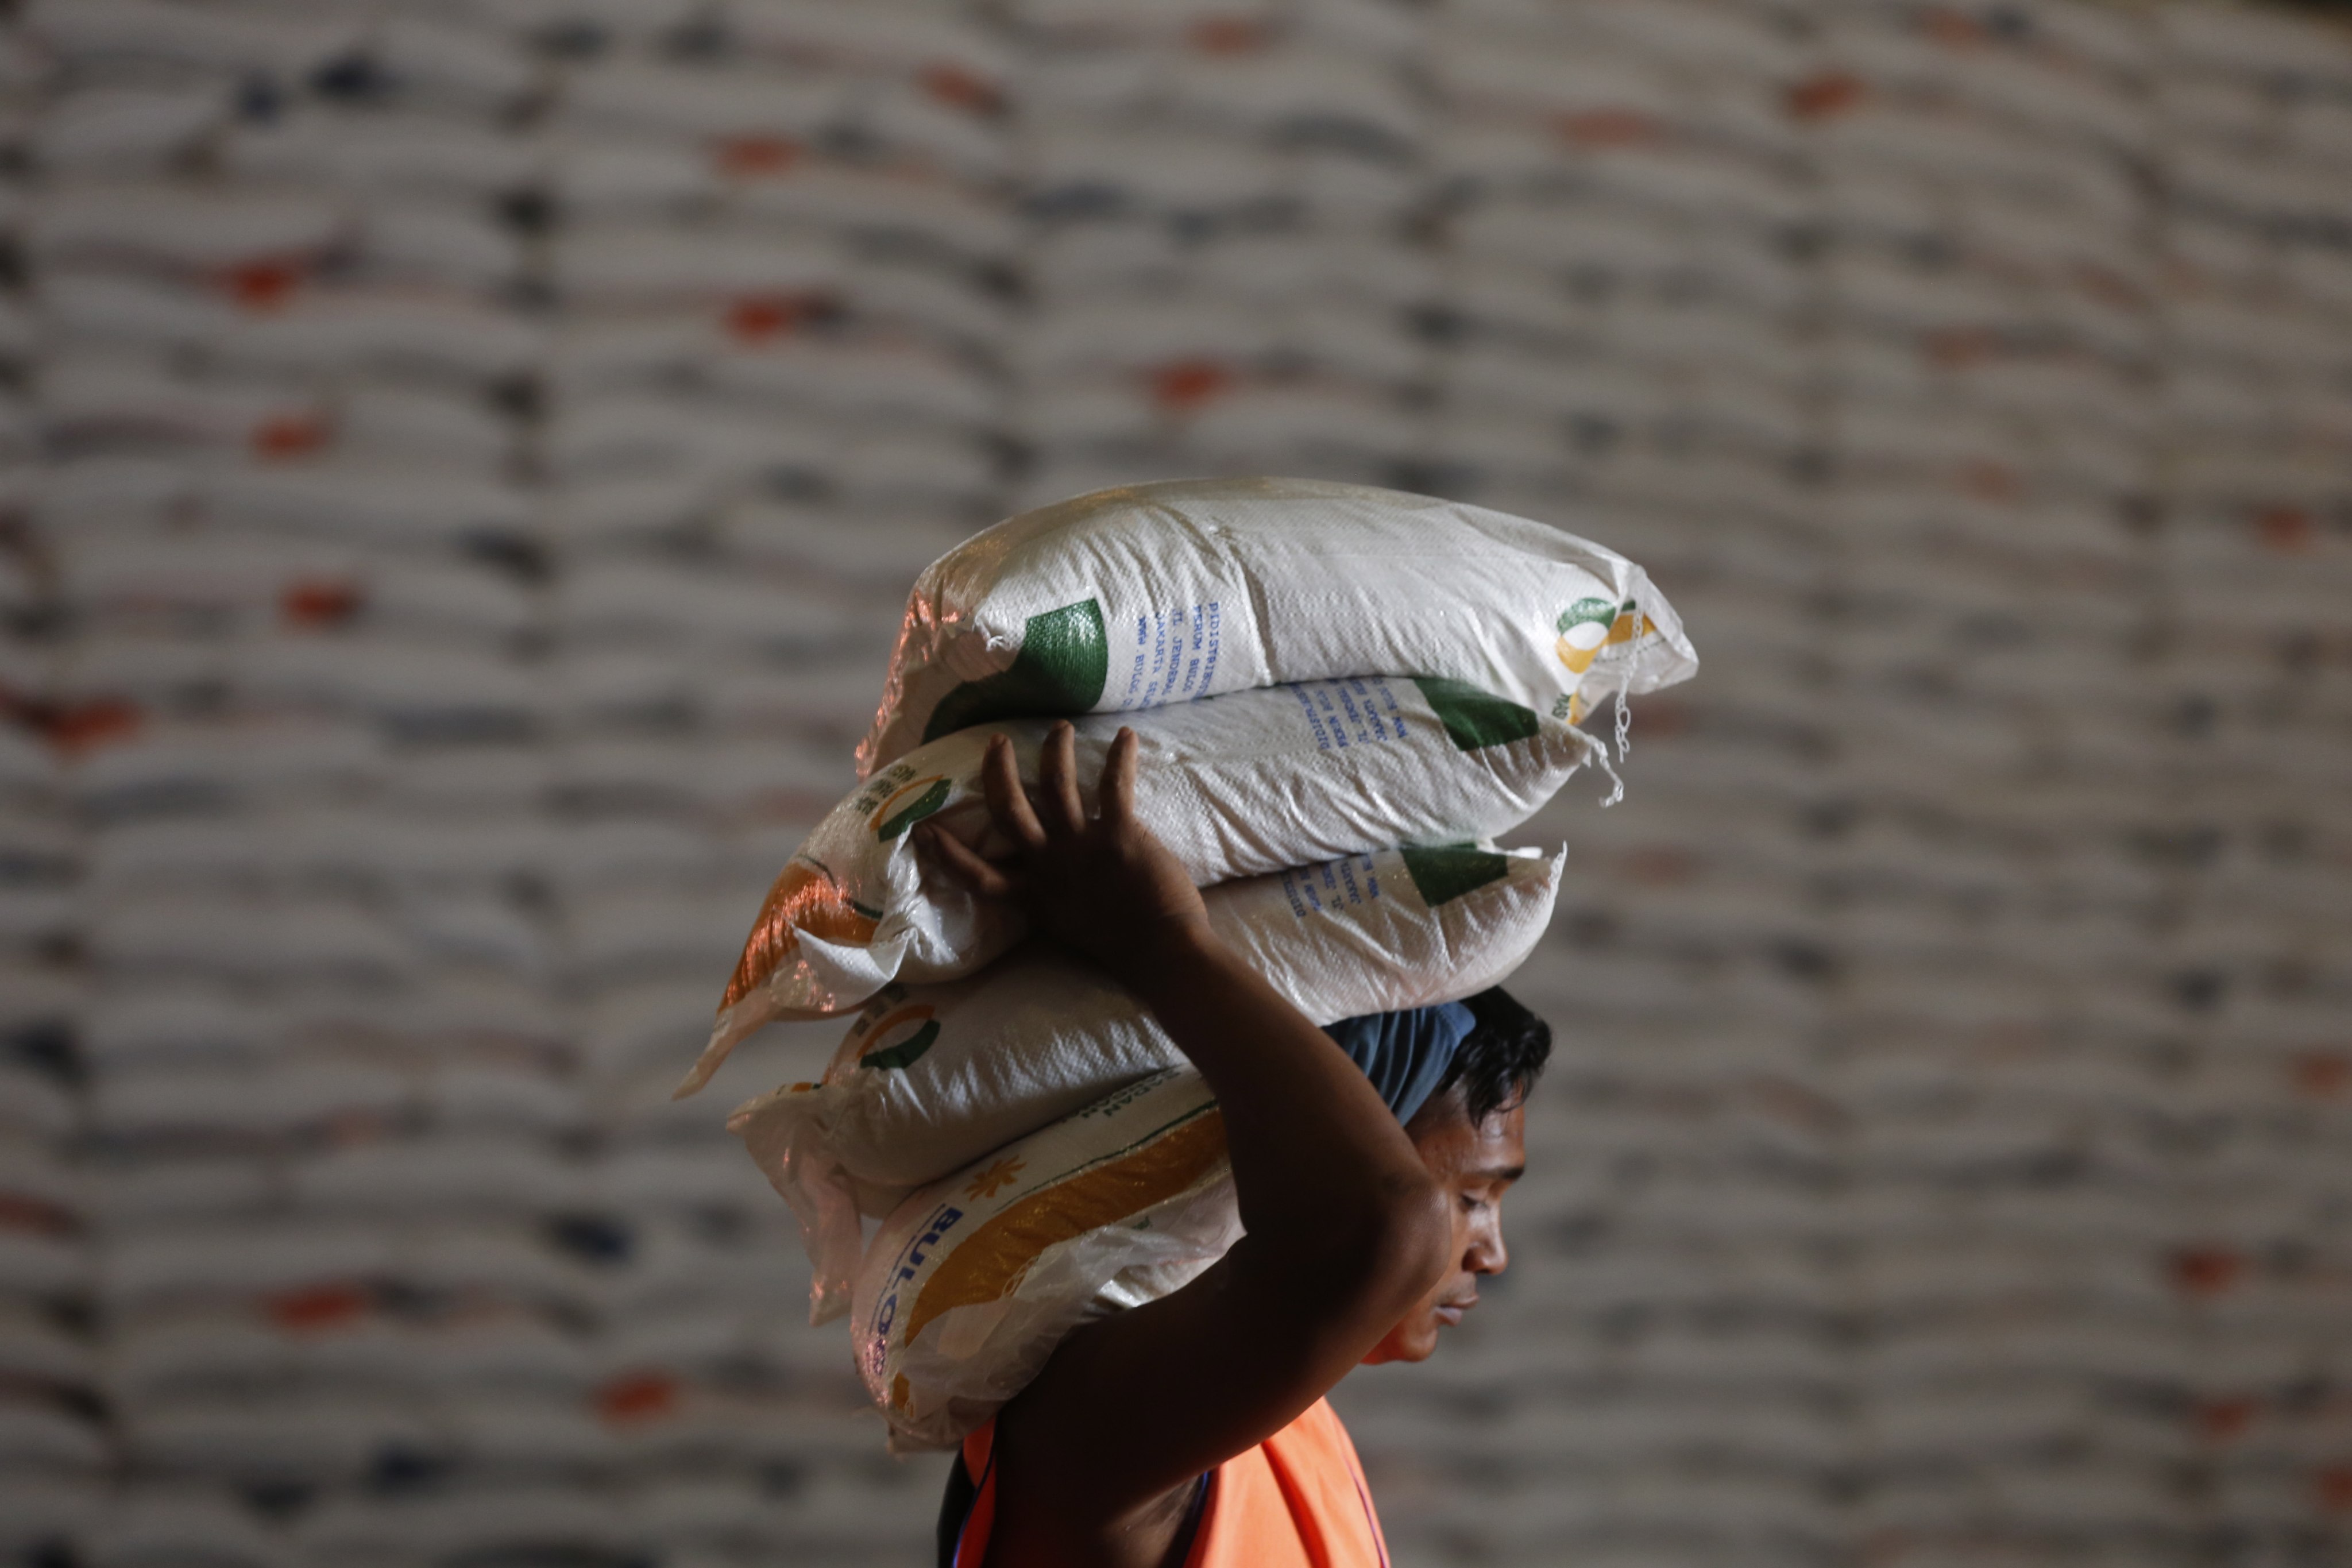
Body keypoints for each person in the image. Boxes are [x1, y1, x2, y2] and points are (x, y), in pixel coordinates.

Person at [915, 720, 1550, 1568]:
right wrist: (1162, 946)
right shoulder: (1088, 1425)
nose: (1491, 1252)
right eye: (1472, 1196)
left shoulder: (1292, 1431)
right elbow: (1383, 1223)